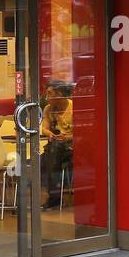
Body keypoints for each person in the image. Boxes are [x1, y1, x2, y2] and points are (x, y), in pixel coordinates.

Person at [40, 81, 74, 209]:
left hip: (73, 148)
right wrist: (50, 134)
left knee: (50, 156)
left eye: (49, 93)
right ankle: (54, 194)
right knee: (43, 159)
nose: (46, 97)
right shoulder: (48, 109)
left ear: (59, 94)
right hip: (56, 146)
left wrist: (67, 137)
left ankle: (55, 196)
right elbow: (45, 128)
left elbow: (85, 132)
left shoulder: (74, 107)